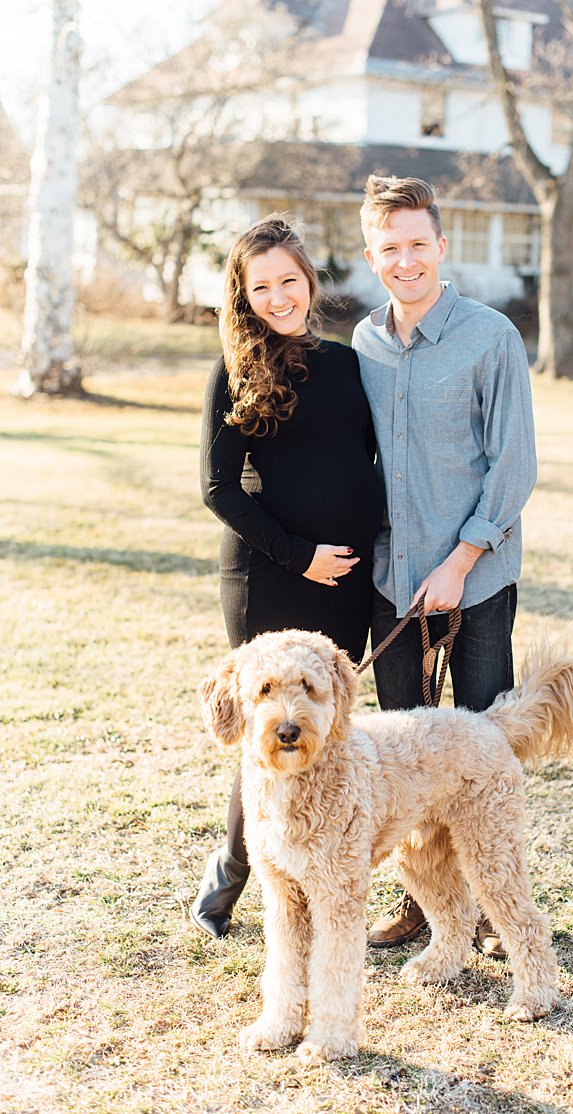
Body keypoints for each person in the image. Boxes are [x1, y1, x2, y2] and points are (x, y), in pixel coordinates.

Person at [350, 175, 537, 949]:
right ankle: (427, 903)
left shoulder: (491, 336)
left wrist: (461, 559)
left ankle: (498, 910)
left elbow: (513, 464)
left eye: (417, 244)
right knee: (400, 753)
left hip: (476, 576)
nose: (405, 261)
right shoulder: (362, 342)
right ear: (372, 255)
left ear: (441, 246)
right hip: (391, 580)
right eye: (389, 248)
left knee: (481, 751)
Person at [191, 216, 385, 938]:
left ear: (310, 282)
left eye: (290, 282)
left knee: (324, 734)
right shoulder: (235, 369)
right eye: (261, 286)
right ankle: (233, 874)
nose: (279, 298)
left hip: (347, 584)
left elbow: (367, 458)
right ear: (244, 295)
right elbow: (218, 488)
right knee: (266, 734)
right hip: (271, 576)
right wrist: (300, 553)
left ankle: (318, 879)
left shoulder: (348, 362)